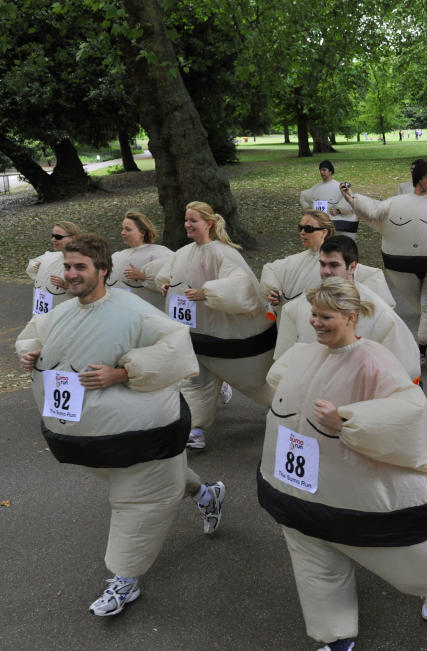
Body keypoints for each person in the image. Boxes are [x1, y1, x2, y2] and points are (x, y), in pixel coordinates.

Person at [15, 233, 225, 618]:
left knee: (137, 500)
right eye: (68, 267)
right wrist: (30, 353)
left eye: (81, 267)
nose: (72, 274)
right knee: (155, 477)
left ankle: (124, 580)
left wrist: (123, 372)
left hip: (143, 436)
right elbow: (33, 334)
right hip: (87, 441)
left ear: (102, 270)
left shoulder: (135, 312)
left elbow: (177, 351)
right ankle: (206, 493)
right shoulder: (61, 314)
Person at [257, 278, 427, 650]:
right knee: (315, 564)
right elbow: (277, 380)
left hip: (357, 492)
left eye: (326, 316)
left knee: (411, 570)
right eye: (313, 315)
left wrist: (348, 421)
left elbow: (410, 408)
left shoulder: (374, 359)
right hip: (301, 493)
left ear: (351, 317)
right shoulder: (303, 353)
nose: (316, 323)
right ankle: (335, 638)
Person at [155, 201, 275, 449]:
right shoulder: (184, 252)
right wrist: (165, 282)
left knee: (256, 384)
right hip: (196, 336)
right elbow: (170, 271)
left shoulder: (224, 253)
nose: (187, 224)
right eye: (186, 220)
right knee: (195, 382)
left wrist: (207, 293)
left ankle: (286, 408)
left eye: (193, 220)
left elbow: (243, 287)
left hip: (227, 339)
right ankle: (194, 429)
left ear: (209, 224)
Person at [341, 160, 427, 364]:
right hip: (401, 267)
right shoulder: (396, 203)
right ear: (419, 179)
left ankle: (421, 348)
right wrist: (352, 199)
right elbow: (374, 211)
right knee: (424, 308)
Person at [274, 235, 421, 382]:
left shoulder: (380, 315)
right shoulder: (296, 308)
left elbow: (406, 370)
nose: (325, 271)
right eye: (322, 264)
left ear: (352, 267)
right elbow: (283, 362)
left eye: (333, 265)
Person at [261, 210, 337, 312]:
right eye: (300, 228)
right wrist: (275, 292)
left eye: (308, 229)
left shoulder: (337, 263)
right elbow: (270, 269)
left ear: (324, 232)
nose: (302, 232)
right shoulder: (296, 259)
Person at [107, 211, 173, 306]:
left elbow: (172, 281)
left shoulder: (160, 253)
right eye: (122, 229)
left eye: (128, 229)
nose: (123, 233)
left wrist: (144, 277)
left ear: (142, 232)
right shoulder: (117, 256)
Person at [26, 221, 80, 316]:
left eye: (58, 237)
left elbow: (92, 293)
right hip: (40, 320)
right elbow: (31, 267)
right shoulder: (49, 256)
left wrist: (67, 286)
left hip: (63, 322)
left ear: (73, 238)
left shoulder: (83, 263)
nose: (53, 240)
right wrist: (36, 267)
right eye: (52, 236)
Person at [300, 161, 357, 238]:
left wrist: (338, 210)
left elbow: (350, 201)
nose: (321, 172)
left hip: (336, 226)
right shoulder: (316, 187)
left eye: (324, 170)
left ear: (330, 171)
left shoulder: (339, 186)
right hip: (320, 225)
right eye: (320, 170)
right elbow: (305, 197)